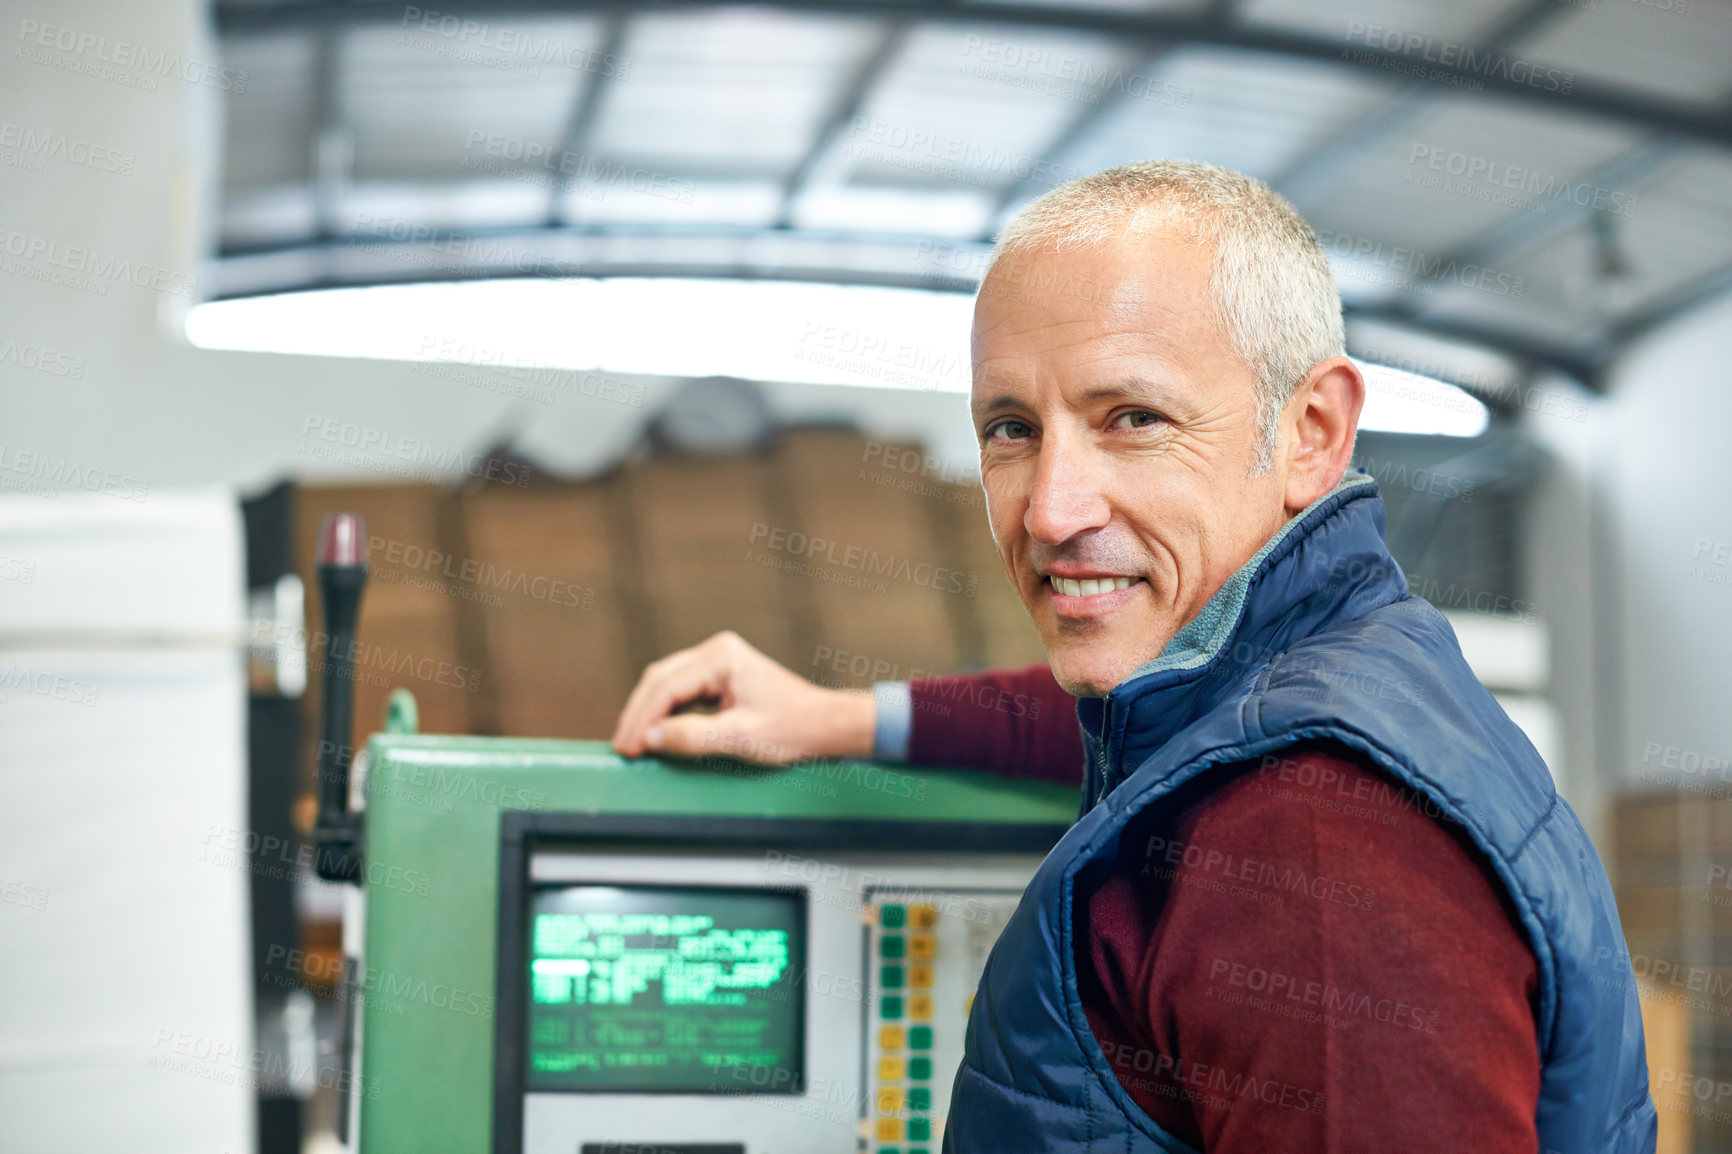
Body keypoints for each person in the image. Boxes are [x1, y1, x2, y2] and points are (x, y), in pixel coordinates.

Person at [611, 161, 1653, 1153]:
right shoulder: (1307, 671)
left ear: (1310, 431)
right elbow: (1139, 720)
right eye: (1011, 428)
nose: (1052, 509)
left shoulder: (1315, 839)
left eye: (1133, 418)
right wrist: (836, 718)